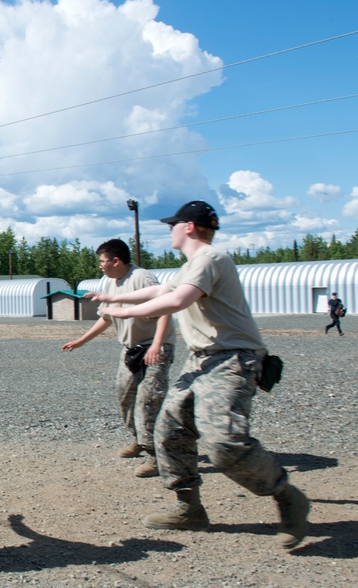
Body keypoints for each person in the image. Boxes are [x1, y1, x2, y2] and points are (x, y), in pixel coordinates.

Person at [90, 201, 309, 550]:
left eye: (173, 225)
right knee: (169, 433)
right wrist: (112, 295)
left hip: (233, 361)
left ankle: (288, 497)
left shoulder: (211, 259)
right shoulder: (193, 265)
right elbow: (162, 291)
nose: (170, 231)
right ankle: (189, 508)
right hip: (200, 362)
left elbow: (177, 301)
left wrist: (119, 309)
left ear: (188, 227)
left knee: (224, 444)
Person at [62, 239, 175, 478]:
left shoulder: (142, 278)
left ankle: (156, 455)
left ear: (116, 260)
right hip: (130, 349)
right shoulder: (109, 283)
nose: (100, 266)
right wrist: (81, 340)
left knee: (149, 400)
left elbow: (166, 309)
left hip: (155, 348)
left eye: (103, 261)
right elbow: (107, 317)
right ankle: (140, 440)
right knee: (125, 396)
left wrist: (156, 345)